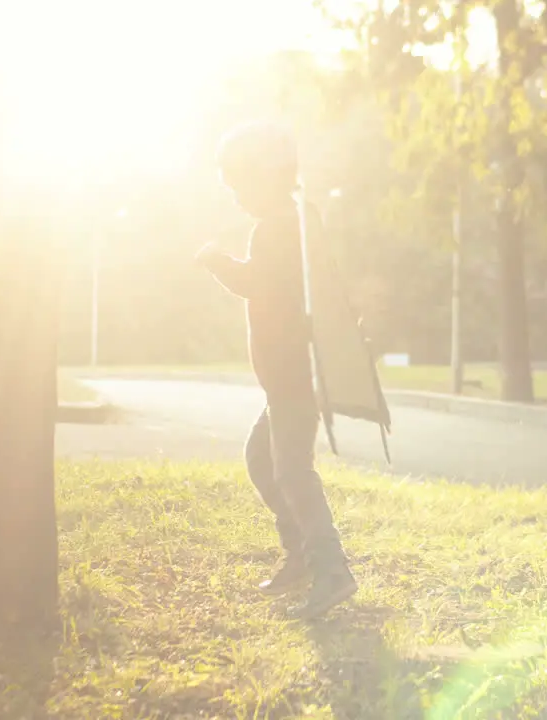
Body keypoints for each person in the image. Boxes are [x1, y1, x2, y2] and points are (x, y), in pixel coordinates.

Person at [195, 121, 357, 620]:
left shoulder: (278, 228)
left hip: (294, 375)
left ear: (268, 177)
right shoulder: (297, 219)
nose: (239, 197)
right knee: (262, 460)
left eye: (242, 185)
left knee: (290, 469)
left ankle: (332, 570)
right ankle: (301, 557)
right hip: (289, 375)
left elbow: (255, 283)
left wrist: (215, 260)